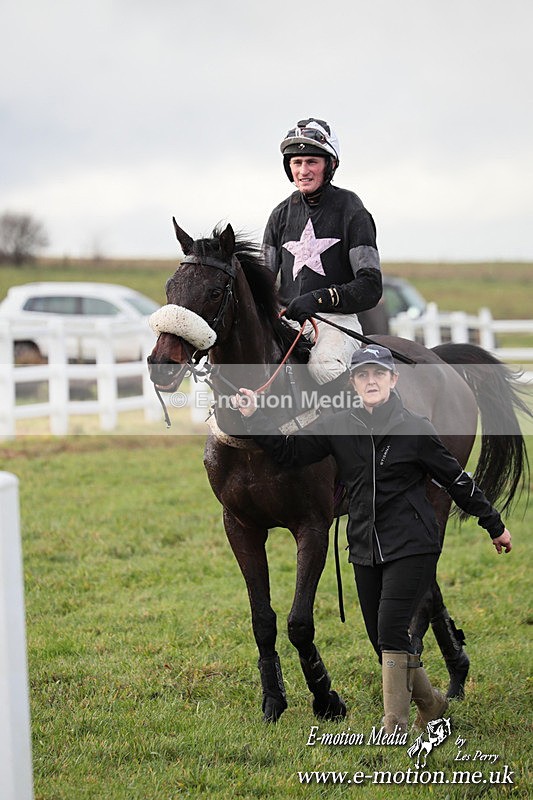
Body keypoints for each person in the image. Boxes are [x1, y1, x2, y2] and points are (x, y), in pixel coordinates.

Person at [233, 344, 512, 734]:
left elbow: (455, 479)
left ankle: (393, 722)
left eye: (378, 374)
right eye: (362, 375)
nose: (370, 381)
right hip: (364, 545)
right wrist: (256, 416)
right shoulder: (338, 426)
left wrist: (494, 524)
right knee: (381, 640)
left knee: (391, 631)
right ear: (353, 382)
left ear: (393, 379)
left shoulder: (416, 428)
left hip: (413, 543)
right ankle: (431, 703)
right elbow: (289, 451)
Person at [263, 117, 382, 386]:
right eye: (296, 163)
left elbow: (371, 286)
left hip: (336, 322)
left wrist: (317, 300)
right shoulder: (279, 215)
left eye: (311, 162)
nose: (303, 170)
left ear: (331, 165)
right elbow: (263, 280)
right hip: (287, 321)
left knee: (324, 369)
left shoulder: (352, 209)